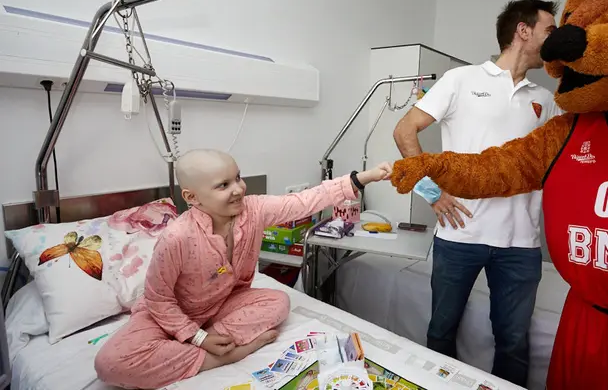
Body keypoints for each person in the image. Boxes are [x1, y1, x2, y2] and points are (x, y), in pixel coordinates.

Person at [95, 149, 392, 389]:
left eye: (237, 178)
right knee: (110, 364)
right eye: (223, 185)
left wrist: (363, 178)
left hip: (220, 306)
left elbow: (303, 201)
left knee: (278, 301)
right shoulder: (177, 237)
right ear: (192, 197)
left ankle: (201, 346)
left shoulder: (254, 210)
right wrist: (197, 337)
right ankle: (222, 356)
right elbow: (159, 300)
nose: (238, 189)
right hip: (166, 314)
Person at [392, 0, 562, 386]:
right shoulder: (461, 80)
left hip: (521, 245)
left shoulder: (546, 100)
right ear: (523, 31)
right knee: (440, 333)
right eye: (549, 30)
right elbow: (404, 131)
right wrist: (432, 193)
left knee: (514, 342)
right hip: (460, 236)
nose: (554, 39)